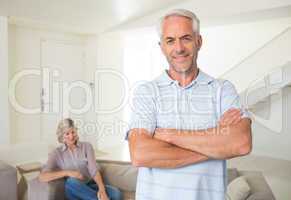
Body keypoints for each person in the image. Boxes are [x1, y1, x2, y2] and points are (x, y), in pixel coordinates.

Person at [126, 9, 252, 200]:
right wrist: (215, 146)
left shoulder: (222, 90)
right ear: (161, 47)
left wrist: (170, 135)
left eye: (186, 38)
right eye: (170, 40)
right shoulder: (147, 92)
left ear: (198, 41)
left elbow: (241, 143)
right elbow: (140, 154)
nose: (178, 48)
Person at [39, 118, 122, 200]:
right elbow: (42, 177)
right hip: (73, 188)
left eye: (73, 132)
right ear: (62, 136)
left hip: (89, 185)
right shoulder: (57, 153)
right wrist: (67, 172)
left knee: (116, 193)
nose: (71, 136)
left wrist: (102, 190)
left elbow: (94, 170)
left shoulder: (87, 146)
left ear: (76, 131)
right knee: (71, 181)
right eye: (67, 134)